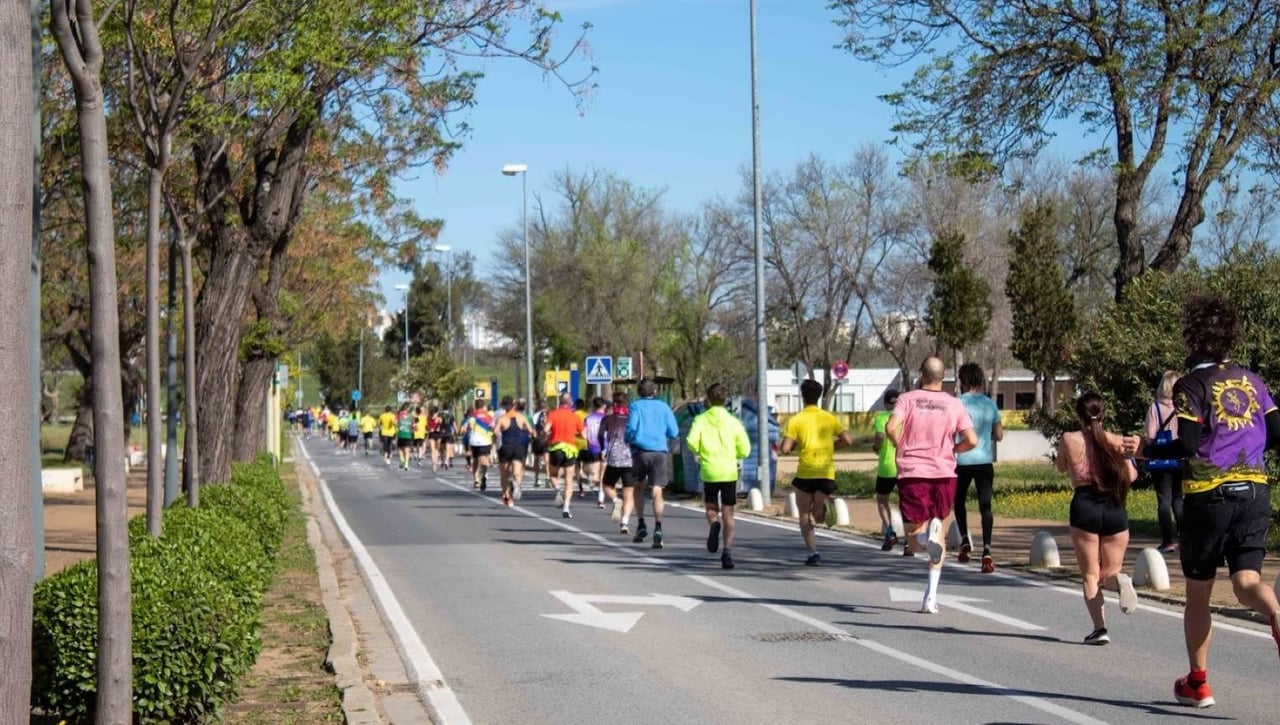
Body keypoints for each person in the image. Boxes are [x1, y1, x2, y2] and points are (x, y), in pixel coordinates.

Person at [1143, 292, 1280, 708]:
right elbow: (1277, 434)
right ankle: (1277, 616)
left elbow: (1184, 445)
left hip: (1208, 496)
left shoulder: (1190, 386)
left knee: (1199, 593)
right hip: (1255, 490)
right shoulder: (1254, 381)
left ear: (1192, 339)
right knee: (1246, 582)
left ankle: (1198, 682)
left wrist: (1146, 449)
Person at [886, 357, 977, 614]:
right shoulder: (954, 403)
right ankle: (930, 597)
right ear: (944, 375)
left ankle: (927, 537)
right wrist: (953, 449)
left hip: (913, 472)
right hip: (945, 473)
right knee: (941, 532)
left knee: (914, 542)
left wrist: (901, 444)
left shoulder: (907, 399)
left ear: (920, 374)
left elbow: (891, 426)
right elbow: (972, 439)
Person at [1056, 391, 1140, 645]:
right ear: (1104, 414)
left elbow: (1061, 466)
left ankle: (1100, 628)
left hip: (1085, 506)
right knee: (1110, 571)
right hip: (1114, 506)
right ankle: (1120, 579)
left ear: (1079, 415)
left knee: (1091, 575)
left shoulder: (1070, 439)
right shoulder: (1117, 441)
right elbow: (1133, 476)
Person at [780, 379, 854, 566]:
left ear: (802, 396)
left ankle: (814, 553)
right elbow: (848, 440)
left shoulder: (796, 420)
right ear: (819, 396)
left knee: (804, 516)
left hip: (805, 473)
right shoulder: (829, 418)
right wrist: (831, 447)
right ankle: (822, 505)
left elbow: (786, 448)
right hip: (826, 472)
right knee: (817, 514)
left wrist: (797, 444)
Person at [686, 383, 751, 569]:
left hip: (709, 470)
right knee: (729, 513)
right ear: (725, 399)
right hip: (729, 471)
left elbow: (691, 442)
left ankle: (714, 524)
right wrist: (735, 453)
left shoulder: (701, 419)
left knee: (711, 507)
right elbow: (745, 450)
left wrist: (700, 450)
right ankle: (727, 552)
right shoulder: (733, 422)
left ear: (708, 397)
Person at [953, 363, 1004, 573]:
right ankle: (987, 550)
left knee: (959, 501)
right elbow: (999, 435)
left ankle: (965, 538)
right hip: (984, 461)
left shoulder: (956, 404)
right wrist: (985, 436)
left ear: (962, 381)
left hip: (961, 461)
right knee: (985, 505)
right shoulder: (989, 404)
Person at [624, 378, 680, 548]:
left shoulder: (635, 406)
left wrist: (629, 439)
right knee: (657, 490)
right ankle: (658, 527)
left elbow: (632, 427)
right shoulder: (664, 407)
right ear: (655, 392)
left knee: (638, 487)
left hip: (640, 452)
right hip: (659, 452)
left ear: (639, 392)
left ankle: (641, 522)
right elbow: (674, 431)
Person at [1144, 370, 1183, 553]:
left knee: (1163, 499)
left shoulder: (1155, 408)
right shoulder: (1182, 407)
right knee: (1178, 498)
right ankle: (1184, 537)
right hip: (1179, 456)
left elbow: (1150, 435)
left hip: (1160, 457)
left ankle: (1167, 540)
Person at [545, 393, 584, 518]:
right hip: (571, 449)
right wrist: (574, 434)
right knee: (569, 480)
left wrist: (549, 435)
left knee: (553, 474)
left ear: (560, 402)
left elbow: (546, 429)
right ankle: (566, 508)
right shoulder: (575, 417)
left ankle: (557, 490)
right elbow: (583, 435)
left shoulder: (552, 414)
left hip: (556, 447)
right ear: (570, 403)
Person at [872, 389, 901, 552]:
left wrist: (876, 447)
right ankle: (910, 542)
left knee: (882, 500)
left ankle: (890, 531)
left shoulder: (882, 417)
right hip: (905, 466)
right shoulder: (906, 418)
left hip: (886, 467)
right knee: (906, 502)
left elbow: (880, 436)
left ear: (885, 403)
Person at [600, 392, 634, 532]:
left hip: (614, 458)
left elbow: (600, 435)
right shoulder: (632, 418)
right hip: (631, 459)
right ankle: (625, 523)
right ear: (627, 404)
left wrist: (603, 450)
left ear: (614, 404)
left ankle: (615, 500)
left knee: (607, 485)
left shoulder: (608, 419)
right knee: (629, 492)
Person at [495, 396, 536, 507]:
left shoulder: (502, 418)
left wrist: (496, 441)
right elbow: (531, 430)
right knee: (517, 471)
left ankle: (506, 496)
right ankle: (516, 482)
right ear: (514, 405)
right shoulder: (521, 417)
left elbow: (496, 432)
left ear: (503, 406)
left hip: (506, 447)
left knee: (504, 474)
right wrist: (531, 434)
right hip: (518, 447)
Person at [582, 397, 609, 509]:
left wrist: (588, 439)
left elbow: (583, 433)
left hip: (592, 447)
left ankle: (591, 477)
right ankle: (600, 498)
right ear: (604, 406)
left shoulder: (588, 419)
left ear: (593, 406)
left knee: (592, 471)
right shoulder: (607, 418)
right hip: (605, 448)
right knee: (603, 475)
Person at [463, 401, 495, 490]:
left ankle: (476, 480)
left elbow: (469, 427)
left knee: (476, 460)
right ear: (484, 406)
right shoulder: (489, 416)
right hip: (486, 441)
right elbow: (493, 428)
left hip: (475, 441)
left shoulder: (473, 416)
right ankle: (484, 475)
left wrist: (467, 430)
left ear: (475, 406)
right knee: (484, 459)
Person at [395, 403, 414, 470]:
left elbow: (395, 423)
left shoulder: (399, 414)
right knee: (407, 450)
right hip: (408, 435)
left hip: (400, 434)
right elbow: (413, 425)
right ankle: (406, 464)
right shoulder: (411, 416)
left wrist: (398, 426)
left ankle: (402, 460)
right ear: (408, 408)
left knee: (400, 448)